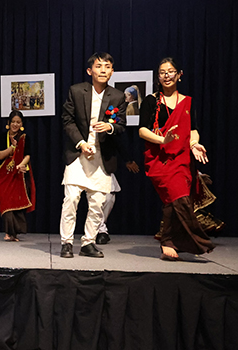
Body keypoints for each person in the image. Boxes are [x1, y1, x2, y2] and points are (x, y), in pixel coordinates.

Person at [139, 57, 214, 261]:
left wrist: (193, 144)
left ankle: (169, 240)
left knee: (179, 198)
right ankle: (187, 239)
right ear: (158, 77)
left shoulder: (187, 101)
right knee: (175, 197)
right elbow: (143, 130)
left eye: (171, 71)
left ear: (179, 75)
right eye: (162, 72)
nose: (166, 75)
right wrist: (163, 139)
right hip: (159, 159)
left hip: (182, 158)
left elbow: (193, 129)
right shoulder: (151, 100)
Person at [60, 53, 126, 258]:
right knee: (71, 199)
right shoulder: (77, 91)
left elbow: (121, 125)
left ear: (112, 71)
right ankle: (67, 242)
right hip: (78, 155)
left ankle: (88, 242)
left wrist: (110, 126)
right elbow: (67, 119)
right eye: (99, 66)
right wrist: (80, 143)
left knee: (98, 203)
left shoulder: (117, 96)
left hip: (102, 158)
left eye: (108, 66)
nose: (103, 70)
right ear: (90, 71)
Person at [0, 110, 35, 241]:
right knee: (6, 202)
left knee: (17, 201)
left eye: (18, 122)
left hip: (20, 173)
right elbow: (0, 155)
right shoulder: (2, 137)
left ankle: (15, 233)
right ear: (8, 123)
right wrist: (12, 148)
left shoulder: (24, 138)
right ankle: (8, 232)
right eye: (13, 122)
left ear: (22, 124)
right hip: (5, 174)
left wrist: (20, 165)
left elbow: (28, 155)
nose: (15, 124)